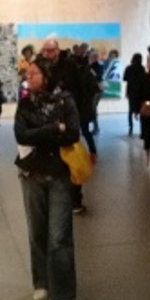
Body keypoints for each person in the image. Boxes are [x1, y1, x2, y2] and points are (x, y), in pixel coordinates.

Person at [14, 55, 81, 300]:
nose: (28, 78)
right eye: (27, 74)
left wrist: (39, 134)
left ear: (47, 76)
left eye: (34, 74)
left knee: (59, 237)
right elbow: (20, 134)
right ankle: (41, 282)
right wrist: (53, 128)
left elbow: (72, 133)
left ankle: (65, 296)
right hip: (31, 174)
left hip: (59, 176)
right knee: (37, 232)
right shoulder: (25, 103)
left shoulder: (65, 101)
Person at [40, 38, 92, 214]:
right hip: (48, 120)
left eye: (50, 51)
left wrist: (73, 115)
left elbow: (78, 90)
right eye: (45, 51)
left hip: (68, 119)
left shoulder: (69, 66)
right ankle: (54, 198)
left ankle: (76, 200)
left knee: (72, 159)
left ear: (57, 50)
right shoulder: (41, 67)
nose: (47, 54)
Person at [123, 52, 145, 136]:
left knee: (130, 110)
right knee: (141, 110)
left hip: (131, 91)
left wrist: (126, 91)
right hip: (140, 92)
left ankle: (130, 128)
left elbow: (125, 80)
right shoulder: (141, 68)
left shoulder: (128, 68)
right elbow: (144, 80)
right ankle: (142, 129)